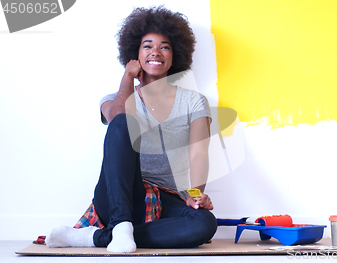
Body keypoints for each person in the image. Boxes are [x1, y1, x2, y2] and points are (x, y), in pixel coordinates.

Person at [45, 6, 217, 252]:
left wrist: (195, 195)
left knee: (204, 224)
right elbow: (117, 118)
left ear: (175, 53)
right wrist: (127, 77)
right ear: (134, 53)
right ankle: (121, 223)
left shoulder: (193, 101)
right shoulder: (112, 99)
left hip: (167, 198)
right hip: (119, 194)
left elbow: (199, 153)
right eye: (147, 46)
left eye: (164, 46)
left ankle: (98, 237)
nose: (156, 52)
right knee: (123, 122)